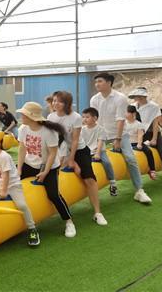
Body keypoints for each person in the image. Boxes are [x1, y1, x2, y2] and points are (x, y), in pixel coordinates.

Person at [16, 101, 76, 238]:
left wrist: (45, 172)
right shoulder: (23, 129)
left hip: (49, 166)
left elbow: (52, 154)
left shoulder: (48, 132)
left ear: (31, 117)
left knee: (53, 195)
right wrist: (19, 169)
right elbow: (22, 149)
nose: (21, 117)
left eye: (23, 114)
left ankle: (69, 222)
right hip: (29, 164)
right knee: (10, 182)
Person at [47, 92, 107, 226]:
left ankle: (97, 213)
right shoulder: (51, 117)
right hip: (60, 149)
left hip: (79, 150)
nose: (55, 103)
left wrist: (71, 159)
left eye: (59, 101)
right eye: (54, 101)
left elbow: (74, 140)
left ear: (67, 103)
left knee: (89, 179)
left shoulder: (75, 117)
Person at [90, 73, 152, 204]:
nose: (97, 84)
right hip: (101, 134)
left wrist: (117, 139)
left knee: (130, 158)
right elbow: (95, 120)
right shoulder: (94, 99)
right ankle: (110, 183)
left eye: (100, 81)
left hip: (119, 134)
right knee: (93, 156)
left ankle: (139, 191)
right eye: (96, 82)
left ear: (109, 83)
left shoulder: (120, 98)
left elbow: (120, 120)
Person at [0, 138, 41, 247]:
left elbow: (6, 175)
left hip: (12, 185)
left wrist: (4, 191)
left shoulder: (4, 156)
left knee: (22, 205)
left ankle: (32, 229)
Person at [129, 87, 162, 188]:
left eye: (137, 96)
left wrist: (154, 138)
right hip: (138, 133)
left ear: (142, 96)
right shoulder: (133, 106)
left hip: (151, 133)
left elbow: (155, 123)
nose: (135, 98)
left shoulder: (154, 106)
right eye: (135, 96)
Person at [81, 107, 117, 196]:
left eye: (87, 117)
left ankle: (113, 183)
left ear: (95, 118)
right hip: (87, 151)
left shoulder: (100, 129)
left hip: (99, 151)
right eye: (83, 117)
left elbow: (100, 142)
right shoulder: (82, 129)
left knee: (107, 162)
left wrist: (97, 153)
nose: (84, 119)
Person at [125, 105, 157, 181]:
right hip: (127, 144)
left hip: (136, 143)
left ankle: (152, 170)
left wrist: (139, 144)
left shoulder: (138, 124)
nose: (125, 114)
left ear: (133, 114)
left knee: (148, 151)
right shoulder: (124, 123)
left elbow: (140, 135)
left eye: (127, 112)